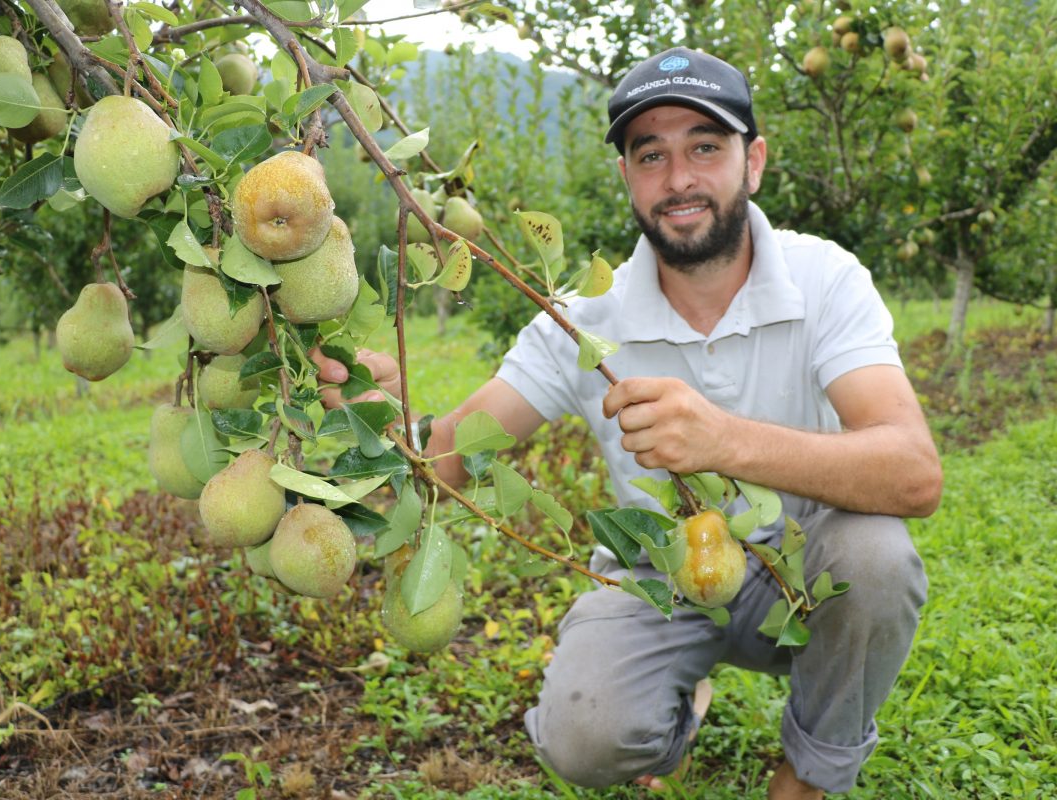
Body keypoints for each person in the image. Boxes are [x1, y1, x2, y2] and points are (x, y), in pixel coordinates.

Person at [313, 46, 942, 799]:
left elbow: (913, 471)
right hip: (662, 580)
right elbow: (450, 457)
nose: (679, 179)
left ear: (755, 161)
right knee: (583, 736)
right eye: (651, 155)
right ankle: (677, 707)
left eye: (705, 147)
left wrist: (724, 441)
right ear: (626, 178)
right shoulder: (582, 319)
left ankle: (810, 774)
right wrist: (377, 422)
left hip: (799, 575)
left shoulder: (825, 279)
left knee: (875, 555)